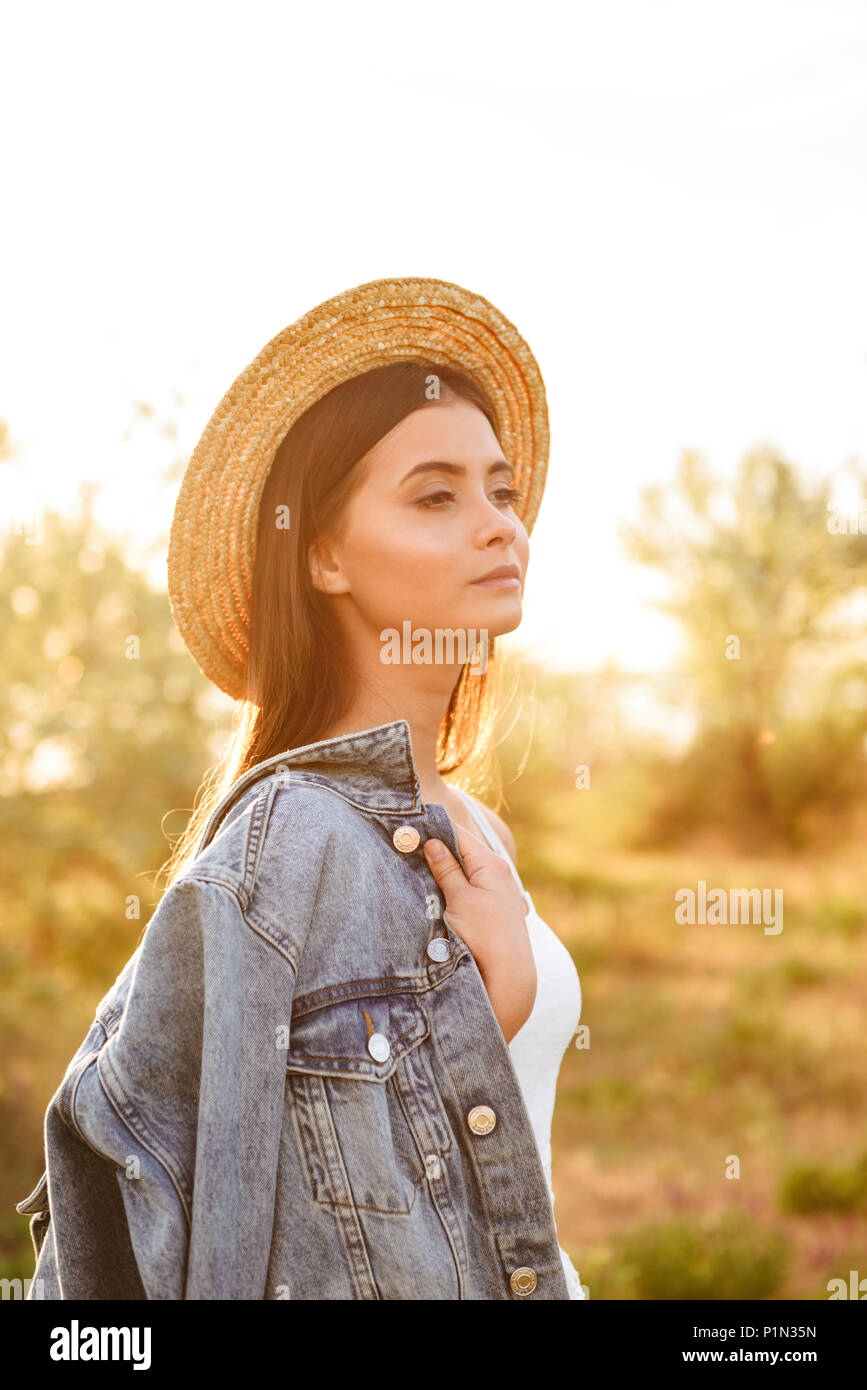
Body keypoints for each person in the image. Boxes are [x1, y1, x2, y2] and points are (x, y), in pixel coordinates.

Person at [16, 276, 586, 1299]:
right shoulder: (290, 844)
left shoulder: (471, 824)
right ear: (323, 553)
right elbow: (212, 1231)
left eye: (500, 489)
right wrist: (483, 1016)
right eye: (437, 495)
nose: (500, 523)